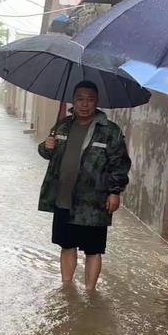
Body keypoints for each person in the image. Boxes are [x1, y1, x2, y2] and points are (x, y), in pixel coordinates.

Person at [38, 81, 131, 290]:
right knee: (67, 245)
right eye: (80, 99)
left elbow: (120, 164)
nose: (84, 104)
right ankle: (66, 289)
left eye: (89, 99)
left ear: (96, 102)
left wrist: (114, 192)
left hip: (94, 203)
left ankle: (90, 293)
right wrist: (46, 146)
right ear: (74, 100)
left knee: (93, 249)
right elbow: (47, 154)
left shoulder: (109, 131)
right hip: (64, 198)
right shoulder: (62, 126)